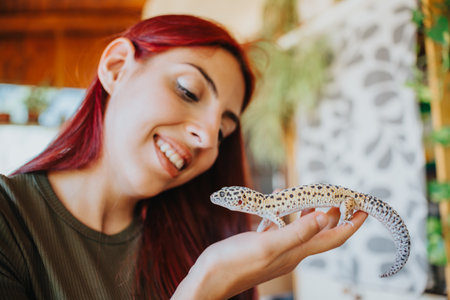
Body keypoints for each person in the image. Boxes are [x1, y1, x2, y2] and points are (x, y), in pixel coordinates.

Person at [0, 14, 367, 299]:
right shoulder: (10, 220)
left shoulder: (192, 239)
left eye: (224, 131)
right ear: (116, 68)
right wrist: (204, 285)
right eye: (188, 91)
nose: (208, 137)